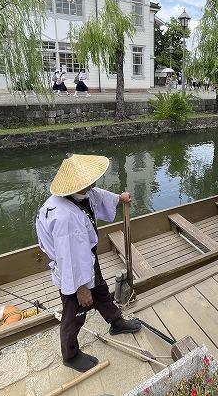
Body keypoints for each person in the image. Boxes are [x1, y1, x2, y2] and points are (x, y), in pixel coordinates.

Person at [36, 154, 141, 372]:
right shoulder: (66, 218)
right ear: (77, 185)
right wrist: (81, 288)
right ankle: (70, 354)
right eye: (89, 181)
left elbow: (97, 195)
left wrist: (119, 198)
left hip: (85, 258)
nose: (94, 183)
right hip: (71, 270)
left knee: (101, 291)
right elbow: (69, 258)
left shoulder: (78, 194)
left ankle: (116, 321)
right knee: (74, 312)